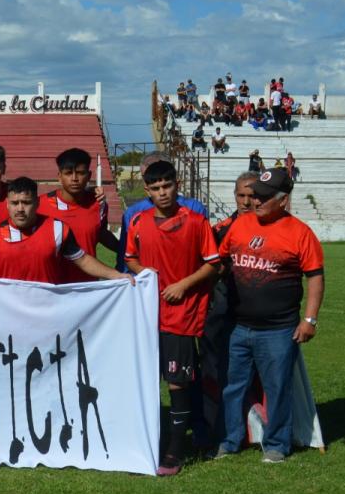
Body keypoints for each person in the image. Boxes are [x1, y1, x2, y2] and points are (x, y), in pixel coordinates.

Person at [216, 167, 325, 464]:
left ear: (283, 200)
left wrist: (310, 320)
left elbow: (315, 277)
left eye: (263, 197)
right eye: (254, 196)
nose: (256, 202)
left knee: (277, 389)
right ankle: (231, 440)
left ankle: (277, 444)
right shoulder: (240, 225)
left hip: (278, 329)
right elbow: (221, 263)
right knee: (233, 388)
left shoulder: (300, 233)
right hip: (239, 325)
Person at [124, 161, 220, 476]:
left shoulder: (195, 221)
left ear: (177, 185)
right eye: (156, 188)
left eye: (167, 186)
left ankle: (175, 453)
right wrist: (144, 273)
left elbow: (212, 264)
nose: (162, 192)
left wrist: (183, 285)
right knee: (147, 382)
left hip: (181, 316)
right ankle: (148, 441)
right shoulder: (138, 221)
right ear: (147, 190)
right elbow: (130, 258)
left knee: (178, 384)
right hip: (147, 316)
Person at [200, 172, 259, 448]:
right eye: (241, 195)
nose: (246, 202)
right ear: (234, 195)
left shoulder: (273, 228)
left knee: (258, 375)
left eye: (252, 196)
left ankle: (257, 428)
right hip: (222, 314)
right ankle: (215, 430)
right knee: (216, 372)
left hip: (261, 317)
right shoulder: (220, 229)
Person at [0, 177, 131, 284]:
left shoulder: (57, 228)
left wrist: (115, 275)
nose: (20, 209)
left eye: (26, 202)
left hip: (47, 311)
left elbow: (83, 260)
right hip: (8, 315)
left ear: (37, 203)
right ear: (7, 204)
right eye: (15, 203)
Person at [37, 148, 120, 283]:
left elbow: (101, 233)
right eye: (68, 173)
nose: (74, 178)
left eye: (80, 173)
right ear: (59, 176)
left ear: (89, 175)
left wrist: (124, 251)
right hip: (53, 287)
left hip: (87, 285)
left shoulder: (98, 204)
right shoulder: (40, 205)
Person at [116, 152, 207, 272]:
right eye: (147, 177)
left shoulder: (195, 209)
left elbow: (206, 256)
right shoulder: (133, 214)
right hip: (148, 285)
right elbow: (126, 257)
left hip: (187, 283)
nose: (155, 181)